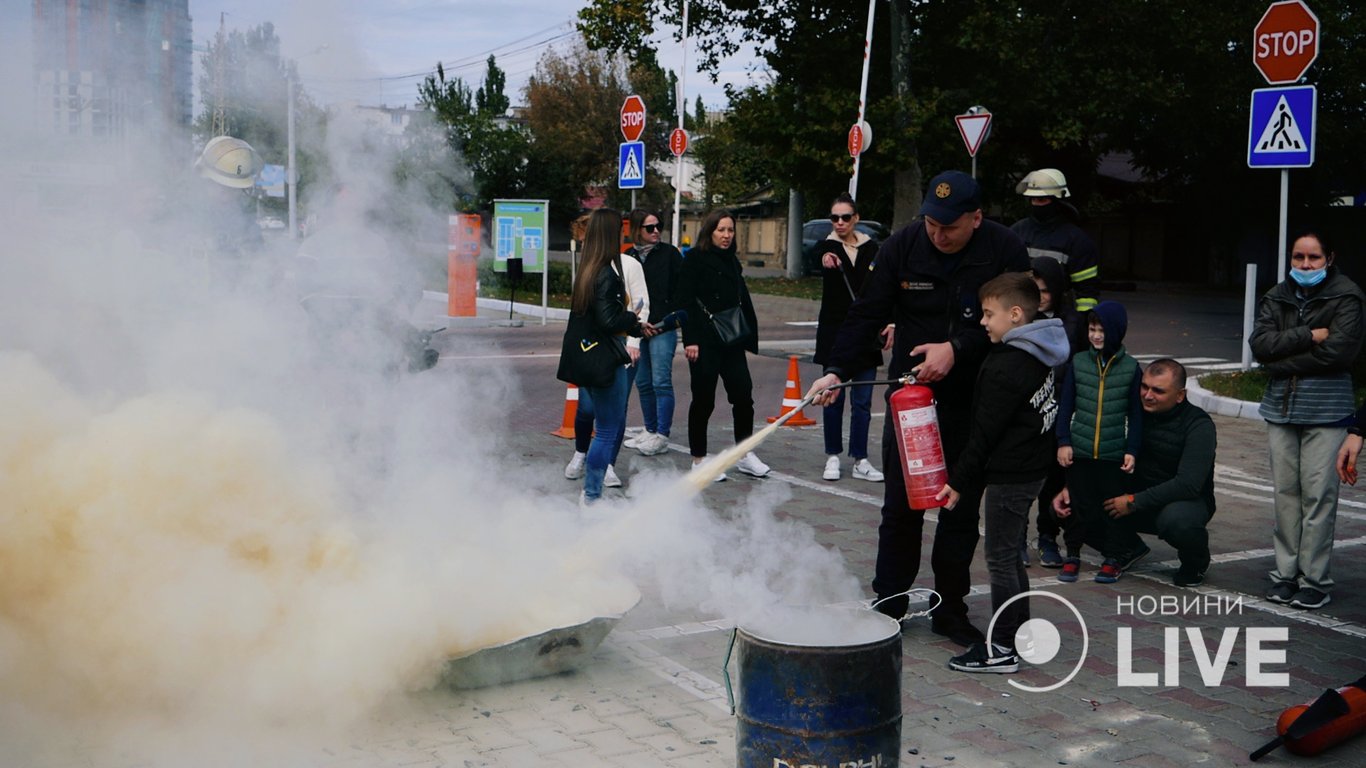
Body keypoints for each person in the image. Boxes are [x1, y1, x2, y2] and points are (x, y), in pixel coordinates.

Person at [807, 170, 1030, 646]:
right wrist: (835, 371)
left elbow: (1018, 323)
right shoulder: (903, 246)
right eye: (931, 222)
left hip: (975, 398)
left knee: (959, 507)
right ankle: (889, 602)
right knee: (901, 507)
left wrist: (958, 347)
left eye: (949, 226)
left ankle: (950, 609)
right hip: (911, 402)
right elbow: (866, 313)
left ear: (976, 217)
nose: (938, 234)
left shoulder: (1004, 249)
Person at [933, 273, 1069, 673]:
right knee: (1010, 557)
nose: (983, 322)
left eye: (989, 314)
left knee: (1001, 560)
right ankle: (1017, 634)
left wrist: (958, 482)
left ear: (1014, 314)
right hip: (1031, 471)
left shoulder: (1006, 366)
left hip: (1012, 476)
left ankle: (1003, 649)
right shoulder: (1041, 350)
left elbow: (984, 434)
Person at [1249, 232, 1365, 610]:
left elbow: (1339, 353)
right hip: (1281, 409)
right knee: (1286, 495)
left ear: (1329, 258)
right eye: (1298, 257)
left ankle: (1314, 580)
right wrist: (1308, 335)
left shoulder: (1347, 296)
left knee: (1318, 496)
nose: (1305, 265)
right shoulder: (1276, 295)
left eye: (1313, 257)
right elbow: (1260, 344)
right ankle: (1285, 575)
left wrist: (1279, 364)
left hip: (1328, 409)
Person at [1053, 359, 1217, 587]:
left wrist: (1133, 501)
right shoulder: (1130, 413)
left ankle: (1196, 562)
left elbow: (1188, 484)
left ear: (1180, 395)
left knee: (1178, 522)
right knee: (1069, 508)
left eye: (1158, 391)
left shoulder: (1199, 425)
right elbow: (1098, 455)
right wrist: (1071, 487)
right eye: (1144, 387)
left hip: (1179, 501)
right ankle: (1128, 548)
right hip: (1128, 498)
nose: (1148, 395)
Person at [562, 208, 651, 505]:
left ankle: (591, 492)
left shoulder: (587, 270)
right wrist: (632, 320)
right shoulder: (608, 274)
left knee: (600, 423)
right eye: (619, 230)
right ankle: (591, 495)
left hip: (586, 359)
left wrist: (631, 323)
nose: (623, 234)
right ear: (610, 234)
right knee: (608, 430)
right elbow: (609, 321)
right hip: (605, 360)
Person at [1054, 301, 1144, 584]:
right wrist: (1063, 441)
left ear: (1116, 331)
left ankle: (1114, 557)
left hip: (1112, 453)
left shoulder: (1131, 368)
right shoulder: (1079, 363)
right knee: (1077, 505)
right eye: (1092, 329)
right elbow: (1065, 406)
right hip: (1079, 451)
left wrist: (1131, 450)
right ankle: (1072, 554)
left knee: (1111, 508)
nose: (1095, 335)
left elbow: (1136, 414)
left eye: (1101, 330)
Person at [676, 209, 770, 480]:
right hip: (704, 342)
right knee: (703, 400)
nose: (726, 235)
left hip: (731, 339)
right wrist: (690, 339)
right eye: (721, 230)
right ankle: (699, 460)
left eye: (730, 230)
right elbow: (683, 301)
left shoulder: (732, 261)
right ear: (710, 232)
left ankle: (745, 453)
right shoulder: (693, 259)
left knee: (743, 395)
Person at [812, 192, 887, 483]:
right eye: (835, 218)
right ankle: (832, 456)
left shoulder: (871, 248)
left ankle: (860, 459)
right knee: (833, 396)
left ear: (856, 218)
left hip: (866, 332)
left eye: (845, 217)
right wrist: (824, 256)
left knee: (863, 401)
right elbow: (815, 254)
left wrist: (889, 322)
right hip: (835, 332)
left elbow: (883, 285)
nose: (840, 222)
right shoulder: (827, 245)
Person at [1028, 256, 1089, 569]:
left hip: (1059, 408)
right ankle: (1014, 541)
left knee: (1054, 477)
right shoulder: (1019, 317)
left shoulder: (1074, 320)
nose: (1038, 297)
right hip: (1025, 410)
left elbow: (1080, 366)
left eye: (1044, 290)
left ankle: (1048, 536)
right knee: (1022, 477)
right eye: (1032, 289)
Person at [624, 209, 685, 457]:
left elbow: (681, 291)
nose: (656, 231)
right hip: (638, 328)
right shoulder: (628, 256)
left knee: (661, 381)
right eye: (650, 227)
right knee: (643, 382)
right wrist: (636, 325)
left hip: (662, 327)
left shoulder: (670, 254)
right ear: (637, 229)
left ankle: (662, 435)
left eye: (658, 226)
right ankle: (649, 430)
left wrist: (665, 323)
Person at [1011, 168, 1100, 313]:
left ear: (1058, 200)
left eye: (1042, 199)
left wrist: (1081, 325)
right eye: (1033, 199)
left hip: (1059, 321)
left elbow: (1087, 293)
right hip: (1019, 316)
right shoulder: (1016, 232)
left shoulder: (1077, 241)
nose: (1037, 204)